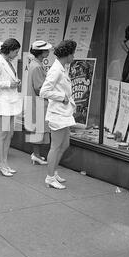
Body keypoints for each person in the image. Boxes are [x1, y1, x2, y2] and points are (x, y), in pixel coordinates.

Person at [40, 40, 77, 189]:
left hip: (64, 113)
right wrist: (62, 97)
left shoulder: (62, 67)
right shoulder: (56, 70)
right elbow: (44, 91)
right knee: (55, 146)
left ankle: (53, 172)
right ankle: (49, 177)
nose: (74, 56)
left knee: (65, 144)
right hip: (58, 114)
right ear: (67, 54)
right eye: (73, 53)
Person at [0, 38, 22, 177]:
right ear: (9, 50)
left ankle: (5, 163)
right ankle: (1, 165)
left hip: (11, 101)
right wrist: (9, 84)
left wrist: (15, 82)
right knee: (2, 135)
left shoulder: (8, 62)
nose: (17, 54)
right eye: (16, 51)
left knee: (9, 134)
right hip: (4, 102)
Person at [25, 40, 53, 165]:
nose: (48, 52)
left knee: (37, 128)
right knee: (39, 129)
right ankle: (36, 154)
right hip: (39, 102)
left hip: (35, 101)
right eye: (46, 50)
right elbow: (39, 87)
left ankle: (36, 154)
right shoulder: (37, 66)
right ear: (41, 52)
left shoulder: (35, 64)